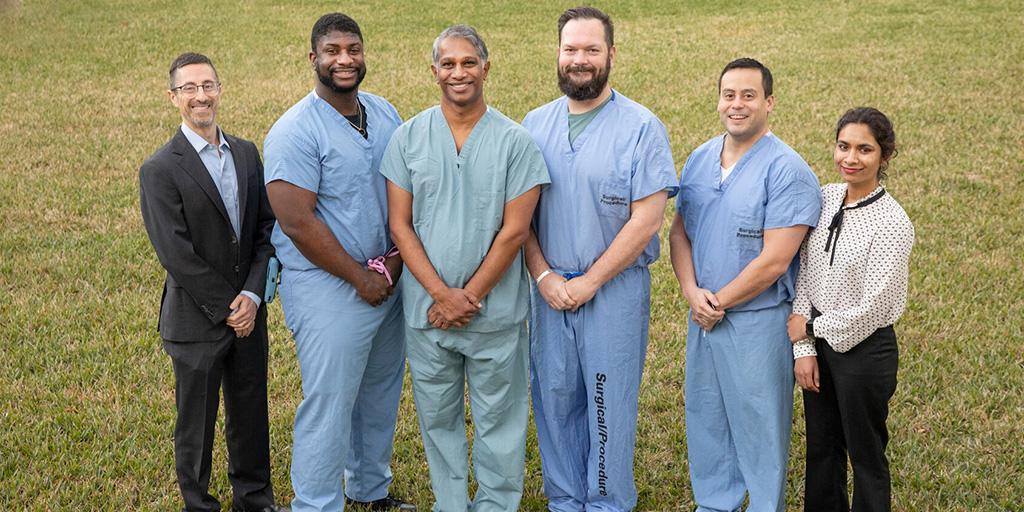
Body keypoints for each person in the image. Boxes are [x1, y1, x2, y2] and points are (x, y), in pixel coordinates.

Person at [379, 25, 550, 512]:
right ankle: (450, 504)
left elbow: (515, 232)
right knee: (438, 420)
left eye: (469, 62)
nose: (459, 72)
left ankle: (497, 504)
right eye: (448, 64)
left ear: (486, 68)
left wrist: (466, 297)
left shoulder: (516, 143)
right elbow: (400, 225)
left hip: (493, 316)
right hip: (427, 316)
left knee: (501, 420)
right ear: (434, 71)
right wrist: (440, 295)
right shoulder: (408, 138)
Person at [520, 7, 677, 512]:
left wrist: (590, 281)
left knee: (608, 406)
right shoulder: (533, 126)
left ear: (611, 55)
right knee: (555, 401)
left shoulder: (641, 127)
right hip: (547, 290)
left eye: (591, 49)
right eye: (571, 49)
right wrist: (543, 274)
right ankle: (565, 500)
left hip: (612, 292)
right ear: (558, 53)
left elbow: (647, 220)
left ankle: (607, 501)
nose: (580, 60)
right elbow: (517, 217)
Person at [263, 13, 414, 512]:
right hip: (331, 285)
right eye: (332, 51)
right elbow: (297, 222)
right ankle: (315, 504)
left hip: (387, 278)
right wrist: (359, 278)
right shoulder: (294, 130)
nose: (344, 59)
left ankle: (369, 491)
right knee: (329, 404)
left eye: (353, 49)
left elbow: (402, 191)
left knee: (379, 392)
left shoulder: (384, 111)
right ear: (314, 59)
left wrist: (392, 264)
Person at [669, 57, 822, 511]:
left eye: (749, 95)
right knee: (707, 419)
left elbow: (776, 260)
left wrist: (717, 302)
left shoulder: (787, 170)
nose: (737, 105)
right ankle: (715, 504)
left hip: (755, 321)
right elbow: (680, 231)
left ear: (769, 103)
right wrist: (692, 294)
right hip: (704, 315)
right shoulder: (700, 158)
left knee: (759, 426)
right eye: (729, 95)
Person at [139, 52, 286, 512]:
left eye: (208, 86)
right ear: (173, 98)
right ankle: (198, 504)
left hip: (248, 312)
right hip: (196, 321)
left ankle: (255, 500)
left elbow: (265, 230)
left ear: (220, 90)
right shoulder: (159, 169)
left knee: (250, 416)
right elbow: (176, 253)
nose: (200, 96)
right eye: (189, 88)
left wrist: (253, 295)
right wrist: (230, 306)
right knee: (196, 424)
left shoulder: (245, 153)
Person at [789, 107, 914, 512]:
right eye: (844, 146)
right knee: (822, 450)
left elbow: (872, 309)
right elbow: (804, 271)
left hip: (864, 354)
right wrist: (805, 350)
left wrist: (808, 327)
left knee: (865, 455)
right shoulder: (825, 198)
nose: (851, 158)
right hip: (818, 343)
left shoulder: (893, 223)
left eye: (864, 149)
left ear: (884, 155)